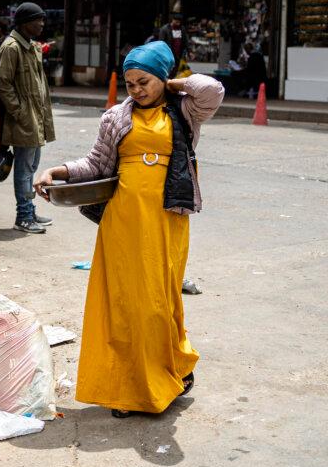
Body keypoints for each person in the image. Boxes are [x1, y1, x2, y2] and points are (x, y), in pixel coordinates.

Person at [34, 42, 224, 418]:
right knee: (124, 304)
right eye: (130, 83)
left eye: (144, 81)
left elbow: (212, 90)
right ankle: (130, 387)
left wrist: (171, 85)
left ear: (162, 78)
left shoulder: (185, 111)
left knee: (159, 301)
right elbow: (95, 163)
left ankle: (170, 369)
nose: (136, 90)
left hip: (168, 220)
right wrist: (59, 171)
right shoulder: (115, 118)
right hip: (122, 222)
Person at [0, 2, 55, 234]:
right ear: (23, 23)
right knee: (24, 170)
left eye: (42, 19)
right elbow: (4, 85)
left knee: (31, 166)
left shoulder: (32, 47)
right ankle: (23, 217)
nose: (41, 24)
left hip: (36, 119)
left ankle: (29, 210)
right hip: (24, 120)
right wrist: (20, 113)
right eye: (37, 20)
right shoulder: (11, 47)